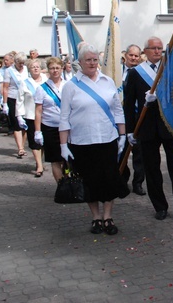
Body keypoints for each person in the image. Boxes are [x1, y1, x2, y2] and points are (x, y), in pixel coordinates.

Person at [123, 36, 173, 220]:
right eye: (153, 48)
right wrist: (130, 130)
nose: (156, 51)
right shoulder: (136, 73)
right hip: (147, 127)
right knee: (152, 169)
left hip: (170, 125)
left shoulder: (169, 71)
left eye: (160, 48)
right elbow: (129, 104)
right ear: (145, 51)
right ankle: (160, 206)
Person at [59, 44, 126, 235]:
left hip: (107, 139)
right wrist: (63, 145)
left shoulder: (108, 82)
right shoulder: (71, 86)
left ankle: (108, 216)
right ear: (79, 62)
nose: (92, 63)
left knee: (109, 179)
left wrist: (122, 135)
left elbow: (117, 110)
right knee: (90, 180)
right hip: (82, 141)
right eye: (88, 60)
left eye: (95, 59)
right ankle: (96, 217)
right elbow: (64, 117)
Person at [33, 57, 67, 182]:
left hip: (67, 126)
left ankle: (70, 182)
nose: (55, 71)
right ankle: (61, 186)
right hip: (50, 127)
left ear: (62, 69)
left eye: (57, 68)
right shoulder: (41, 88)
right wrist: (38, 131)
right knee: (55, 159)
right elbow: (38, 111)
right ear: (48, 70)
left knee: (68, 158)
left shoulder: (68, 85)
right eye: (52, 68)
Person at [121, 44, 145, 196]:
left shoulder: (142, 73)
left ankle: (138, 183)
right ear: (126, 56)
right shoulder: (117, 73)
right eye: (131, 55)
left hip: (139, 116)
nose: (134, 58)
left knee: (140, 153)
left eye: (137, 56)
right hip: (122, 117)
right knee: (122, 150)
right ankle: (122, 180)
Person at [2, 52, 29, 159]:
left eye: (23, 63)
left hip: (25, 99)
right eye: (19, 63)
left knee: (25, 124)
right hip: (13, 98)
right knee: (16, 124)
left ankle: (22, 144)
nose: (21, 65)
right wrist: (4, 103)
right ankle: (20, 148)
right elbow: (5, 88)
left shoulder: (26, 69)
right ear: (15, 62)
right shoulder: (9, 71)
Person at [23, 59, 47, 177]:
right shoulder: (25, 82)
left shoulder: (47, 81)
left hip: (46, 115)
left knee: (43, 141)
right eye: (33, 67)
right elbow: (19, 100)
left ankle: (40, 160)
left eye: (37, 66)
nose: (36, 68)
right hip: (31, 115)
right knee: (34, 141)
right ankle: (39, 165)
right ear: (29, 69)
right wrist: (19, 116)